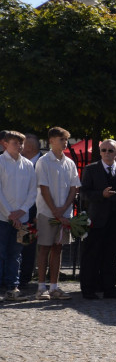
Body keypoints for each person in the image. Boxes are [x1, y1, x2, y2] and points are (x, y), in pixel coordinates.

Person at [79, 138, 116, 300]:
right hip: (97, 219)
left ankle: (110, 288)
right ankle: (88, 289)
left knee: (112, 255)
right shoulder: (91, 169)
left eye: (110, 150)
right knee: (92, 255)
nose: (107, 153)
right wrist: (101, 195)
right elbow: (84, 193)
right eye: (104, 150)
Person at [33, 127, 80, 300]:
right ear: (51, 140)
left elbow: (74, 188)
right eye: (61, 139)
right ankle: (41, 287)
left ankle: (54, 286)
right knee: (44, 248)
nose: (65, 142)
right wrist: (55, 210)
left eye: (66, 139)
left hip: (64, 213)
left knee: (58, 249)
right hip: (47, 212)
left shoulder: (69, 162)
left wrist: (64, 210)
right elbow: (43, 188)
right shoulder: (43, 162)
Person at [0, 131, 37, 301]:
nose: (20, 146)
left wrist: (21, 211)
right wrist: (10, 214)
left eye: (21, 143)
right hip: (2, 217)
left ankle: (12, 287)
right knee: (1, 252)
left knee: (16, 254)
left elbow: (32, 192)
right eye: (15, 143)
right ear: (5, 144)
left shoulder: (28, 165)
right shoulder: (0, 162)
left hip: (22, 219)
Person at [18, 133, 41, 288]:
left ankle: (24, 278)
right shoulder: (17, 162)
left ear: (29, 147)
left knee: (28, 247)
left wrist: (38, 213)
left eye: (22, 144)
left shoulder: (43, 162)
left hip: (35, 213)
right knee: (14, 246)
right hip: (16, 212)